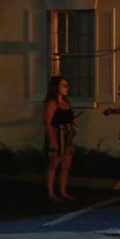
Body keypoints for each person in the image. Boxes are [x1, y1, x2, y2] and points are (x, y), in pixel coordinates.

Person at [44, 75, 77, 203]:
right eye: (63, 85)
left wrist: (73, 121)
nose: (66, 88)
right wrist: (52, 140)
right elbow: (47, 122)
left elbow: (68, 117)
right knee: (53, 164)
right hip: (57, 135)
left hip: (67, 135)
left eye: (67, 85)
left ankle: (63, 192)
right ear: (55, 87)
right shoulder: (52, 103)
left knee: (65, 166)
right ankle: (51, 193)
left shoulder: (66, 103)